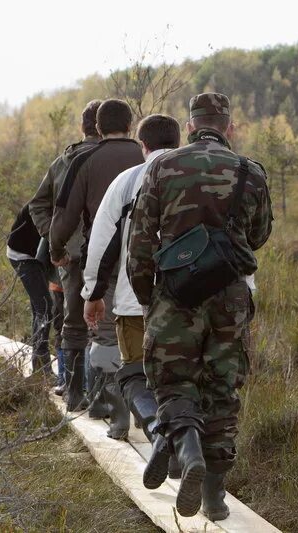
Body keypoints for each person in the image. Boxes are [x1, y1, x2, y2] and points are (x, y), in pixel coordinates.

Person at [127, 93, 273, 520]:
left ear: (189, 125)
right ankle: (214, 496)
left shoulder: (162, 166)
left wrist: (147, 296)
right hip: (229, 297)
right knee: (222, 390)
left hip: (174, 294)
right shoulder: (251, 172)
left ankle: (187, 451)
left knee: (174, 382)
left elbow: (140, 240)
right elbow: (259, 235)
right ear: (228, 127)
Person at [81, 114, 180, 442]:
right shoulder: (192, 176)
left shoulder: (127, 181)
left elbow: (102, 242)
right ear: (178, 141)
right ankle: (182, 448)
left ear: (143, 145)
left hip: (134, 300)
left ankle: (153, 433)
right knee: (178, 379)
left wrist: (92, 294)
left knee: (135, 372)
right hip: (187, 301)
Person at [49, 98, 144, 414]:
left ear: (98, 128)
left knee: (90, 324)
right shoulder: (147, 157)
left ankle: (94, 399)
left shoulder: (84, 160)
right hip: (145, 254)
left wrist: (57, 249)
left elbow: (65, 214)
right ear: (130, 125)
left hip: (100, 253)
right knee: (140, 323)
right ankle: (139, 404)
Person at [28, 100, 102, 398]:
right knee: (104, 322)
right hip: (98, 254)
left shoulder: (64, 160)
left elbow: (37, 205)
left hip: (67, 257)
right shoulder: (120, 158)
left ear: (83, 127)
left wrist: (56, 238)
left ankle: (74, 389)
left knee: (69, 320)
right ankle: (93, 391)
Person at [6, 203, 54, 373]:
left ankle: (39, 363)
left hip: (36, 256)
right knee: (45, 307)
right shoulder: (41, 204)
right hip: (23, 256)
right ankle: (41, 367)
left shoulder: (57, 201)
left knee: (40, 308)